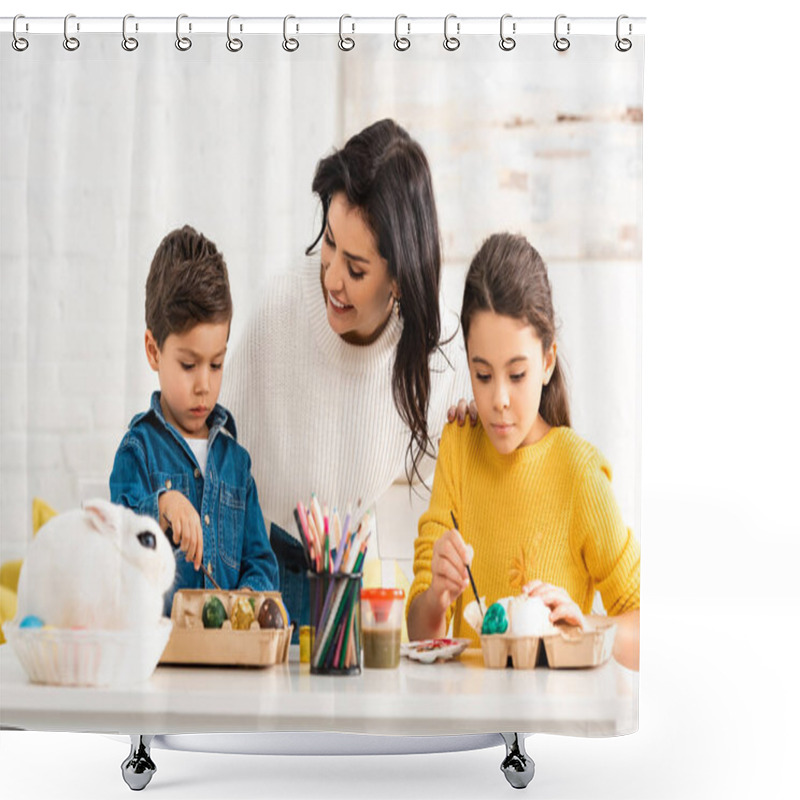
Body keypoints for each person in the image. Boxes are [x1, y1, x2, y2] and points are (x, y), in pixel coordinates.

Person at [223, 120, 470, 632]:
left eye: (356, 269)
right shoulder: (283, 306)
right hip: (263, 572)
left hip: (352, 582)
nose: (332, 276)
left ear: (399, 278)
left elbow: (454, 490)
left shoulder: (438, 351)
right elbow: (217, 442)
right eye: (330, 243)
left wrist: (473, 422)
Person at [406, 233, 641, 670]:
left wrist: (583, 625)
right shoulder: (458, 444)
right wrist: (437, 596)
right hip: (466, 728)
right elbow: (422, 634)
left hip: (546, 727)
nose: (498, 400)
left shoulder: (578, 472)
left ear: (548, 360)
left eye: (516, 374)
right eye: (482, 374)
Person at [109, 225, 279, 615]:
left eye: (216, 364)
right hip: (158, 663)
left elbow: (261, 563)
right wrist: (161, 506)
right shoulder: (138, 450)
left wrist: (249, 600)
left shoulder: (236, 463)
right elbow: (114, 543)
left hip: (230, 665)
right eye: (188, 365)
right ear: (153, 350)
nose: (204, 384)